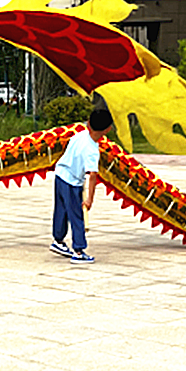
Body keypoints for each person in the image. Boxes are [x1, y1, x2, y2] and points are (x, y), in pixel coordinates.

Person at [50, 108, 113, 263]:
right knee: (77, 216)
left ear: (89, 123)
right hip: (72, 183)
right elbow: (92, 176)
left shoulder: (79, 135)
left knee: (61, 210)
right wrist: (89, 199)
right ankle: (78, 251)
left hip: (60, 175)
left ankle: (58, 241)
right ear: (107, 129)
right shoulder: (92, 151)